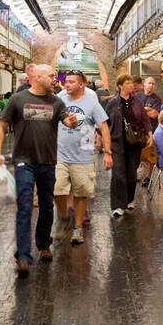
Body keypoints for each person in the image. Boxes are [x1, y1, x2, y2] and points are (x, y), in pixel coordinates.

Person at [0, 63, 79, 277]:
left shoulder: (56, 102)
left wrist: (72, 122)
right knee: (24, 206)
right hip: (24, 161)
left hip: (48, 161)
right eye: (51, 76)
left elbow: (68, 122)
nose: (55, 80)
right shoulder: (17, 100)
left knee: (47, 206)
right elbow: (2, 126)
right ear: (38, 77)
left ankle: (43, 244)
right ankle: (22, 255)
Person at [56, 70, 112, 245]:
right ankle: (64, 216)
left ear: (82, 85)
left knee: (82, 193)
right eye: (66, 82)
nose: (67, 84)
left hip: (83, 155)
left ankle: (78, 227)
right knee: (57, 188)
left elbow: (104, 128)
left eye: (71, 82)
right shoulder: (59, 100)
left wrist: (107, 153)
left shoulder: (92, 103)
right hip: (60, 153)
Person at [105, 73, 150, 218]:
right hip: (117, 143)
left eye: (132, 83)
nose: (132, 86)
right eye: (128, 83)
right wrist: (101, 138)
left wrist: (150, 134)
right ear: (120, 86)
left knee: (131, 175)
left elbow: (144, 119)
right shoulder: (112, 103)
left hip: (134, 144)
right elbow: (105, 122)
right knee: (118, 175)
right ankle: (118, 205)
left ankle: (129, 199)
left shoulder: (137, 102)